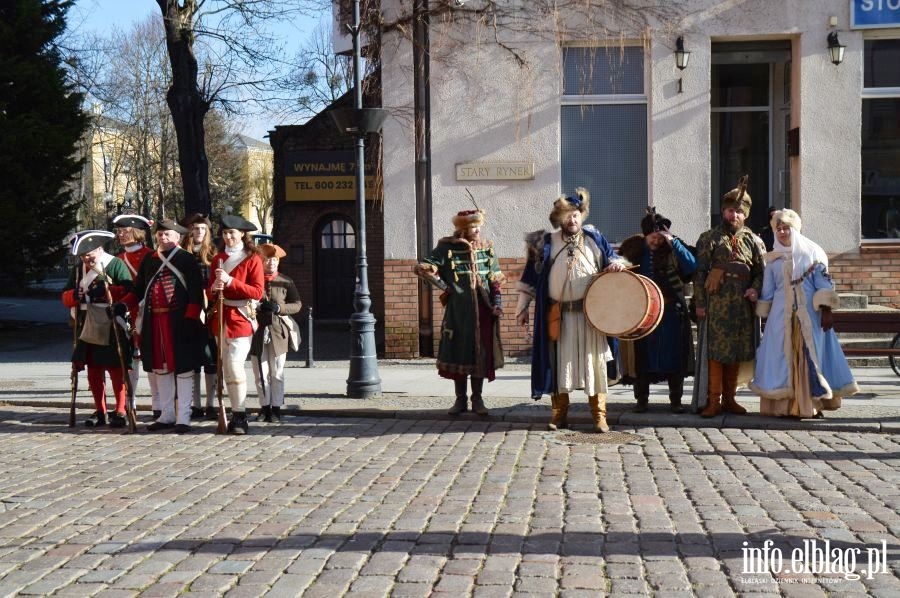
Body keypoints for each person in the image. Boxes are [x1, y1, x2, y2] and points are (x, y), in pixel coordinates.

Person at [515, 188, 627, 432]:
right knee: (558, 365)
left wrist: (617, 266)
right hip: (558, 317)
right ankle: (558, 414)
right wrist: (522, 309)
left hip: (591, 317)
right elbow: (529, 280)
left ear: (581, 215)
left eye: (576, 214)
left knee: (594, 365)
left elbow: (614, 260)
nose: (572, 219)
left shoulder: (594, 239)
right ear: (559, 218)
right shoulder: (545, 243)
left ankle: (599, 416)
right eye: (567, 215)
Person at [749, 209, 858, 417]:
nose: (782, 232)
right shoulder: (772, 260)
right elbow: (768, 291)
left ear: (795, 229)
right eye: (778, 228)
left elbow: (823, 285)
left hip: (809, 316)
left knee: (809, 357)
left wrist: (826, 310)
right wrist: (761, 307)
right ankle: (784, 407)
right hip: (781, 318)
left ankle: (810, 405)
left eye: (786, 228)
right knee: (781, 359)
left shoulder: (812, 253)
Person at [116, 219, 206, 433]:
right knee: (160, 369)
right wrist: (122, 304)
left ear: (177, 237)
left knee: (183, 370)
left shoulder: (186, 259)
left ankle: (183, 417)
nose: (163, 238)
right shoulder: (150, 259)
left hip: (180, 321)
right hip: (154, 322)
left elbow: (195, 293)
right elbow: (138, 290)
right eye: (160, 234)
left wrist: (191, 319)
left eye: (168, 235)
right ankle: (166, 415)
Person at [414, 208, 505, 416]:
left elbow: (495, 280)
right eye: (473, 226)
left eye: (479, 225)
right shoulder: (447, 247)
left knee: (480, 354)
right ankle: (460, 400)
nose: (478, 229)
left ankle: (478, 399)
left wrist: (497, 303)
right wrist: (445, 287)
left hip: (483, 311)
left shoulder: (486, 248)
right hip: (458, 312)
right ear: (463, 228)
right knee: (459, 353)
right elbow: (424, 268)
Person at [692, 177, 766, 417]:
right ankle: (713, 400)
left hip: (742, 307)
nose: (734, 215)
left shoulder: (753, 241)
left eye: (739, 212)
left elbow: (760, 272)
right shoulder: (709, 238)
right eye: (730, 210)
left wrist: (755, 289)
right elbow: (700, 272)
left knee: (735, 351)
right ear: (723, 211)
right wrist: (701, 304)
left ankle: (730, 399)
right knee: (716, 352)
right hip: (717, 305)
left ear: (745, 215)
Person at [618, 208, 697, 413]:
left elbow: (691, 266)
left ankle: (675, 401)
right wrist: (616, 265)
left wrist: (674, 242)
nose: (656, 242)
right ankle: (642, 400)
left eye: (660, 238)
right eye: (653, 238)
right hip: (643, 313)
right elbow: (621, 266)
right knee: (643, 356)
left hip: (672, 312)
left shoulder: (672, 249)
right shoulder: (635, 250)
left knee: (674, 356)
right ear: (645, 236)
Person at [62, 231, 134, 428]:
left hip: (110, 320)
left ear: (100, 249)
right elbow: (65, 296)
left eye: (89, 254)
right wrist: (74, 295)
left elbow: (129, 289)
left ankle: (120, 409)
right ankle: (100, 410)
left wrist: (107, 290)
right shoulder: (79, 269)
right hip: (86, 322)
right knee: (93, 368)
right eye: (83, 255)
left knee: (115, 367)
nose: (86, 258)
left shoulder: (115, 264)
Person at [208, 215, 265, 434]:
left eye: (232, 232)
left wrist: (231, 281)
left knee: (234, 364)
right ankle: (233, 412)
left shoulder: (252, 259)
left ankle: (240, 415)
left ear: (242, 234)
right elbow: (209, 291)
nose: (228, 237)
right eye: (224, 233)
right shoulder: (218, 259)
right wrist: (214, 286)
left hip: (241, 316)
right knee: (226, 369)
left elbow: (257, 292)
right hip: (221, 316)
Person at [112, 214, 159, 418]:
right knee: (128, 361)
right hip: (125, 312)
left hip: (145, 312)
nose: (121, 235)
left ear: (137, 232)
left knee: (151, 360)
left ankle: (158, 404)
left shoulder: (151, 256)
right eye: (119, 231)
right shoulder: (117, 259)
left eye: (125, 231)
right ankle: (130, 403)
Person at [249, 243, 302, 422]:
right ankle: (265, 408)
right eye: (267, 259)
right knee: (260, 374)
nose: (271, 263)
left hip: (279, 332)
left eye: (274, 260)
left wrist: (280, 307)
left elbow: (297, 304)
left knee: (277, 373)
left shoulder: (286, 282)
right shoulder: (253, 281)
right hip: (257, 331)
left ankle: (277, 409)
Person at [181, 213, 218, 421]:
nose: (198, 232)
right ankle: (195, 404)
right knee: (194, 359)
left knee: (210, 359)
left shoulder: (213, 253)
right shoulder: (183, 254)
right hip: (190, 308)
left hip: (209, 309)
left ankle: (210, 403)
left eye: (202, 229)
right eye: (195, 228)